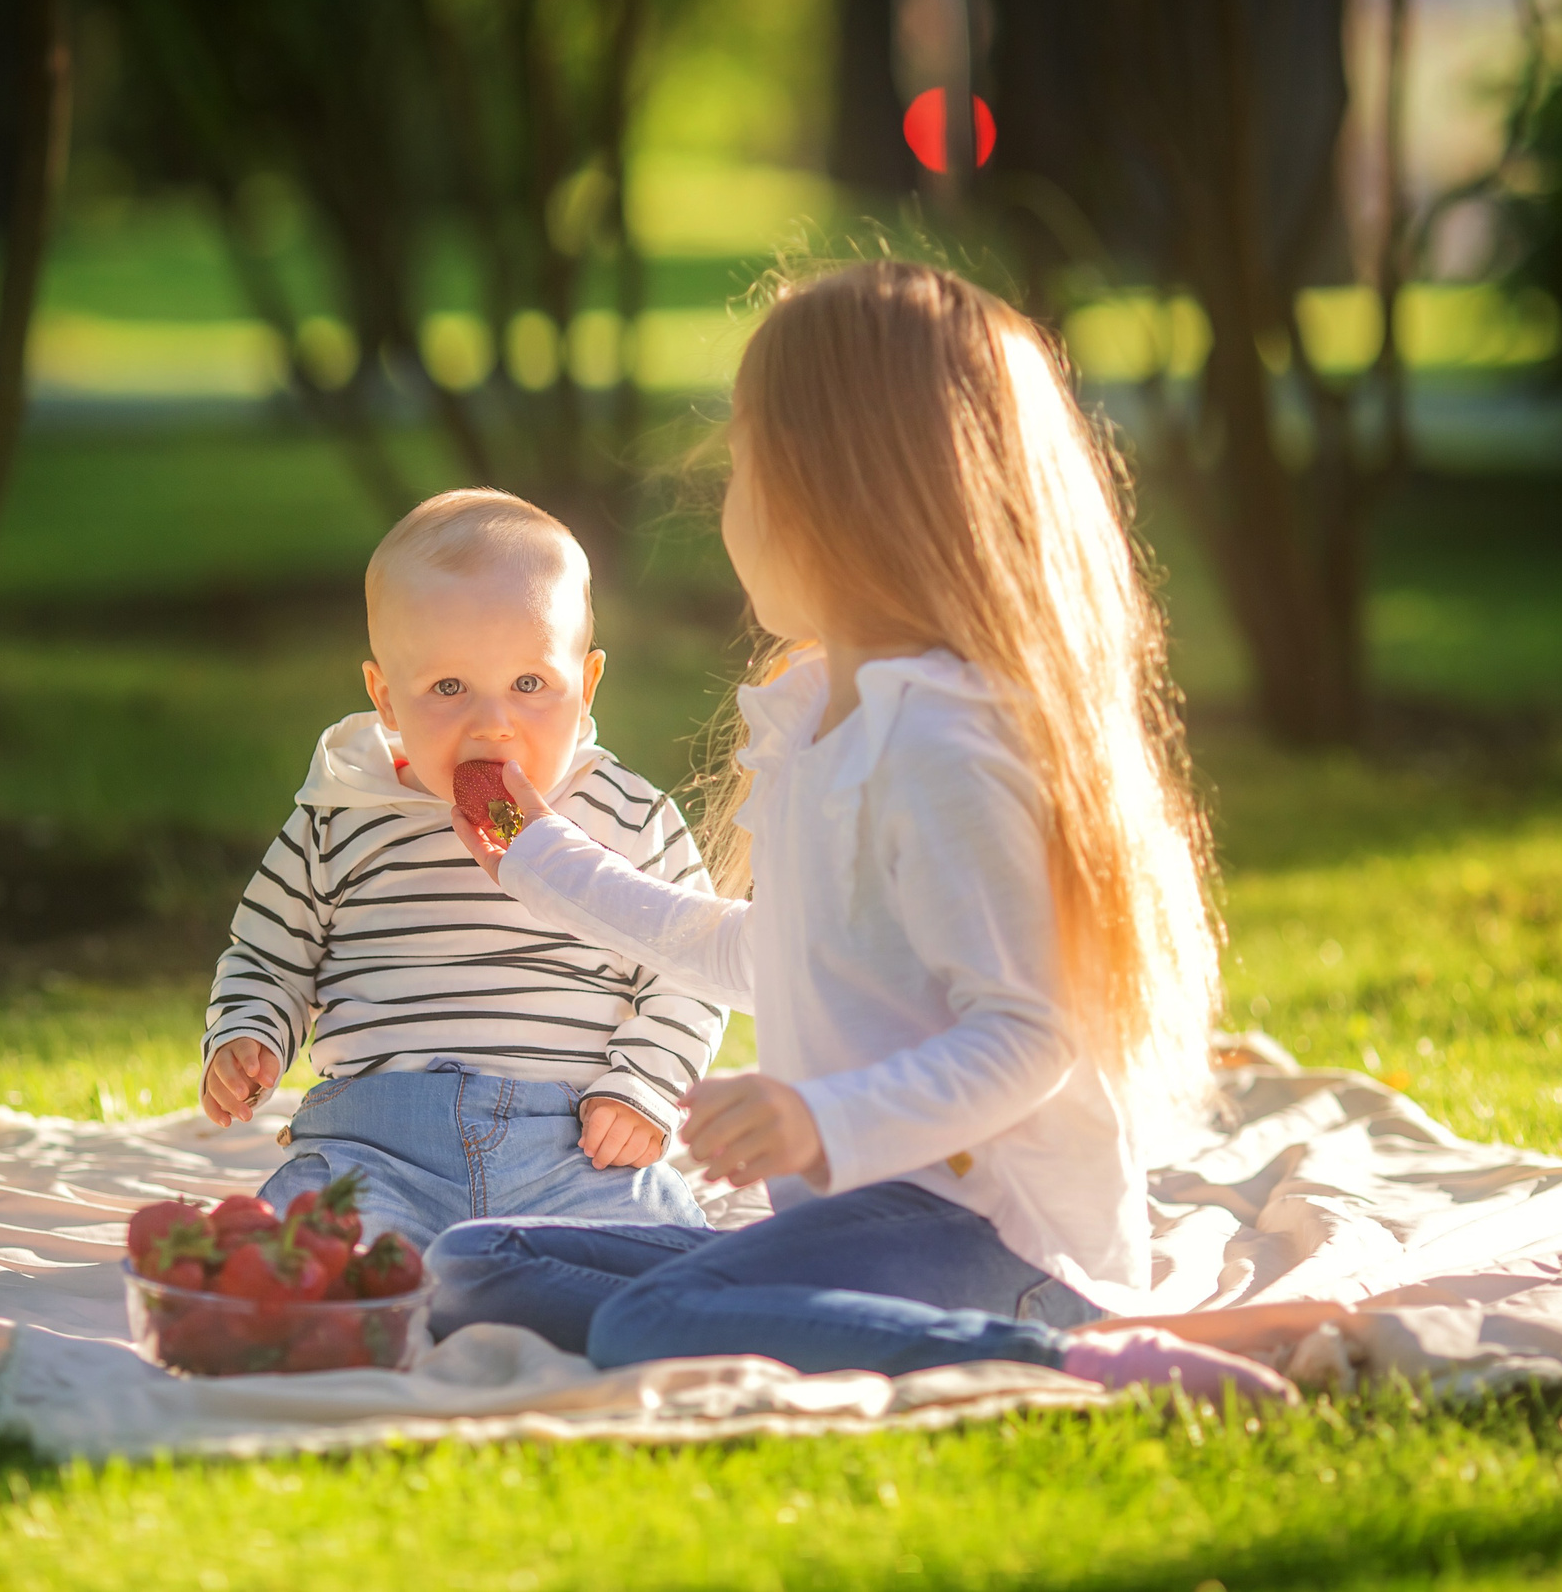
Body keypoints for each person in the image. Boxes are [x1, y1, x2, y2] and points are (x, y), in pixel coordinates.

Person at [428, 261, 1315, 1402]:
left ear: (833, 493)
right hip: (869, 1214)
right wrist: (537, 856)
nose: (725, 498)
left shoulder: (940, 745)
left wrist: (816, 1118)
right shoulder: (824, 720)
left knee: (652, 1318)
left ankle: (1098, 1364)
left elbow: (1026, 1036)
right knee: (477, 1264)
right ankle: (772, 1310)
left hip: (996, 1237)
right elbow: (773, 956)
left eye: (745, 463)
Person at [199, 489, 725, 1250]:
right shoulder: (341, 812)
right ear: (385, 696)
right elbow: (267, 954)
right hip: (372, 1146)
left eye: (530, 684)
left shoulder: (627, 816)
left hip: (571, 1146)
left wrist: (642, 1087)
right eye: (448, 688)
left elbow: (692, 965)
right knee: (290, 1255)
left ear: (587, 685)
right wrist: (249, 1034)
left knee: (665, 1261)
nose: (493, 722)